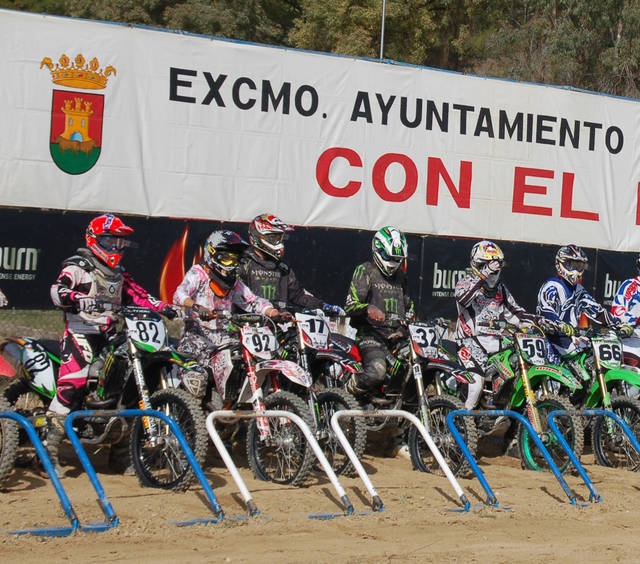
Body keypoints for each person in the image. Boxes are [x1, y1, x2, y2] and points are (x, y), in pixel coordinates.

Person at [48, 214, 174, 474]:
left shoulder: (119, 273)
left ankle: (120, 455)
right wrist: (76, 298)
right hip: (80, 333)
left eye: (120, 242)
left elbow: (139, 295)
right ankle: (48, 451)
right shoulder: (79, 266)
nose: (116, 247)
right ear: (93, 239)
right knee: (74, 383)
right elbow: (56, 290)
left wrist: (163, 307)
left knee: (129, 385)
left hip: (110, 334)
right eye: (109, 240)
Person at [173, 229, 281, 406]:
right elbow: (179, 294)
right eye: (226, 259)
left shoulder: (234, 282)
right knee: (197, 380)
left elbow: (253, 301)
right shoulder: (198, 273)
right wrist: (195, 306)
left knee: (245, 362)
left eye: (235, 260)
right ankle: (191, 415)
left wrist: (271, 312)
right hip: (197, 337)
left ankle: (239, 405)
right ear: (212, 255)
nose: (231, 265)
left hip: (224, 338)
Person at [455, 240, 551, 413]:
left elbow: (518, 314)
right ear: (478, 265)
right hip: (469, 343)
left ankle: (509, 416)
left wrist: (542, 321)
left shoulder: (501, 290)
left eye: (495, 268)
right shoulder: (465, 283)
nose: (493, 272)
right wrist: (484, 274)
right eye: (486, 266)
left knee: (517, 370)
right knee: (476, 383)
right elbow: (463, 299)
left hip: (497, 344)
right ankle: (462, 421)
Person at [344, 226, 415, 399]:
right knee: (377, 371)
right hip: (370, 336)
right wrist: (368, 309)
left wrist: (406, 325)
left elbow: (409, 306)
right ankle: (346, 393)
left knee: (418, 365)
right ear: (378, 249)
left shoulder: (401, 276)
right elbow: (350, 305)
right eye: (389, 257)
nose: (392, 262)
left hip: (397, 337)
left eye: (397, 258)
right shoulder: (365, 271)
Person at [537, 244, 631, 364]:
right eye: (571, 265)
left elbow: (596, 310)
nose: (575, 271)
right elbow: (546, 310)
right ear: (560, 264)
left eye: (579, 266)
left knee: (590, 356)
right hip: (550, 339)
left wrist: (619, 324)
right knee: (554, 376)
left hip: (570, 338)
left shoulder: (579, 290)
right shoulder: (551, 285)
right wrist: (559, 323)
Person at [237, 213, 345, 316]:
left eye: (280, 238)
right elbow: (234, 295)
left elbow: (299, 295)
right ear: (259, 237)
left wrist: (324, 306)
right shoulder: (244, 264)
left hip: (280, 323)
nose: (279, 242)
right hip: (249, 324)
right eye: (274, 238)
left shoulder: (282, 268)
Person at [609, 254, 640, 368]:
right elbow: (617, 311)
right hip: (631, 341)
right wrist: (635, 320)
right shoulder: (631, 286)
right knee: (634, 381)